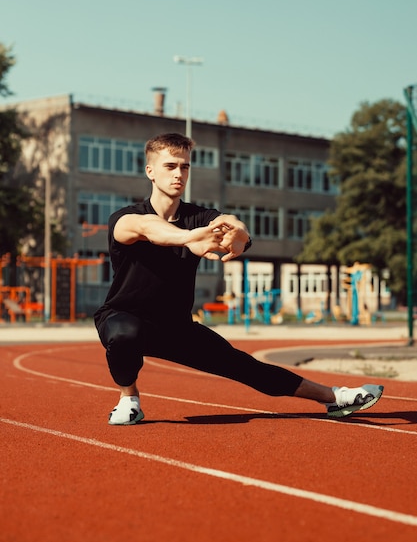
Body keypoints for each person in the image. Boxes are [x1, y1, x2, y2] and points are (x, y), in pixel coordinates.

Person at [94, 132, 383, 425]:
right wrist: (190, 238)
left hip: (175, 326)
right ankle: (129, 398)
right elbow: (150, 228)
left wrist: (239, 235)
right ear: (150, 172)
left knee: (246, 367)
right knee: (124, 335)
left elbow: (232, 223)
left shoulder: (200, 216)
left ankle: (335, 397)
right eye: (170, 166)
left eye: (185, 166)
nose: (179, 174)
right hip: (122, 315)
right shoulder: (126, 218)